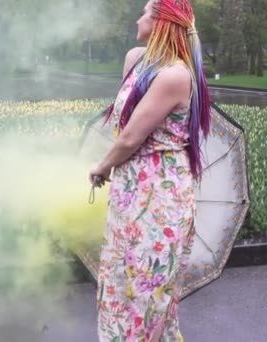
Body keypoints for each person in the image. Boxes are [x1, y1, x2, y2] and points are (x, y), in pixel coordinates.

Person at [88, 0, 212, 340]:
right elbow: (121, 122)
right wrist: (112, 166)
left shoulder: (176, 76)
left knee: (148, 292)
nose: (138, 17)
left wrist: (101, 166)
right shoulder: (136, 60)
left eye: (145, 12)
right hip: (130, 191)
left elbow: (130, 137)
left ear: (161, 23)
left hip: (160, 197)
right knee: (118, 279)